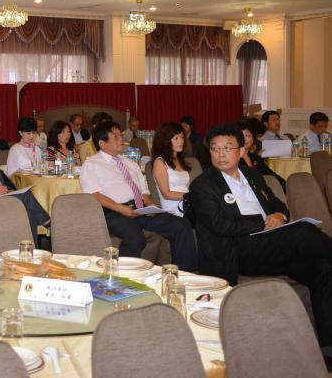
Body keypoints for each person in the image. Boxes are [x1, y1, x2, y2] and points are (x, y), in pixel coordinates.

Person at [188, 123, 332, 347]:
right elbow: (220, 225)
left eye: (227, 148)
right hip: (235, 250)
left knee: (323, 269)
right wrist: (263, 222)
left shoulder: (251, 173)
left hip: (270, 246)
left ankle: (327, 344)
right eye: (215, 149)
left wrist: (279, 215)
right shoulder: (202, 185)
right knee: (303, 231)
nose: (220, 154)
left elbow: (276, 204)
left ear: (242, 151)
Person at [80, 121, 196, 270]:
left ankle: (185, 273)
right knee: (135, 238)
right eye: (115, 137)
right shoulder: (92, 164)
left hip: (140, 209)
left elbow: (144, 191)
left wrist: (150, 203)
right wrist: (120, 208)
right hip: (113, 211)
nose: (121, 139)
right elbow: (94, 195)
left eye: (121, 135)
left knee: (182, 225)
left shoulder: (130, 163)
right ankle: (122, 276)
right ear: (102, 143)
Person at [150, 122, 191, 217]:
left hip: (187, 205)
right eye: (176, 138)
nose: (181, 141)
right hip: (173, 210)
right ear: (166, 141)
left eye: (182, 137)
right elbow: (166, 194)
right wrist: (190, 196)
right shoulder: (160, 162)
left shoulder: (180, 160)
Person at [238, 120, 286, 192]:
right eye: (240, 136)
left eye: (247, 135)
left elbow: (271, 175)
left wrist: (287, 186)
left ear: (253, 137)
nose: (244, 139)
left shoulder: (255, 158)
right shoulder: (233, 159)